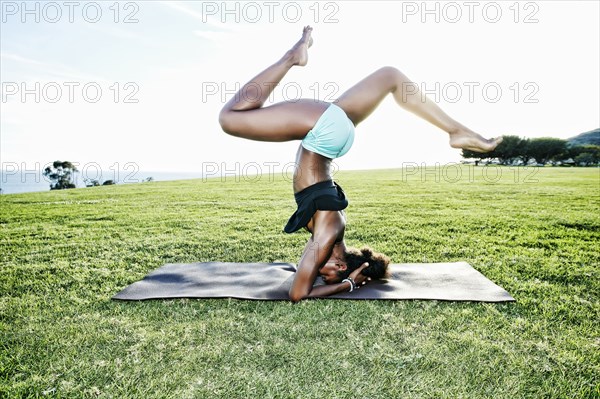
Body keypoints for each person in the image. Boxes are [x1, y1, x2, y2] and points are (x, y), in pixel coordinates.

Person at [218, 26, 501, 302]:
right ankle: (291, 57)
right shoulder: (328, 232)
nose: (318, 272)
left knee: (390, 76)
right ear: (341, 266)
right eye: (325, 275)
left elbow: (304, 284)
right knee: (230, 119)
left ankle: (455, 130)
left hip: (331, 136)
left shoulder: (332, 229)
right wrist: (348, 284)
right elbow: (298, 293)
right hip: (323, 133)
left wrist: (345, 280)